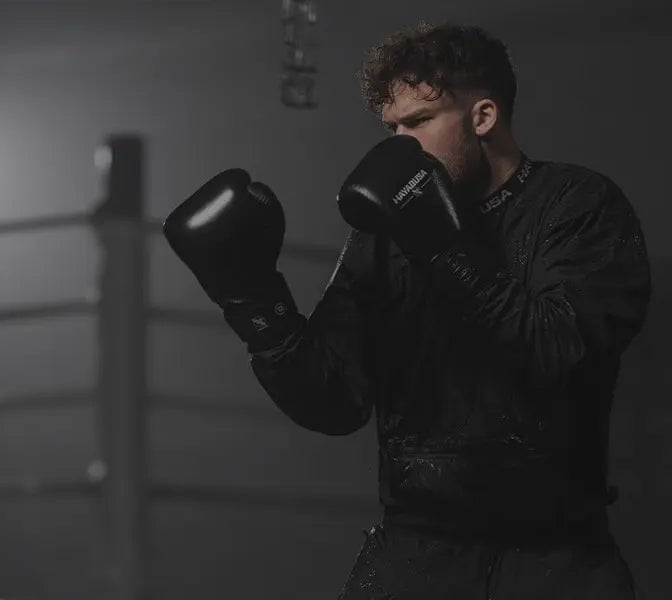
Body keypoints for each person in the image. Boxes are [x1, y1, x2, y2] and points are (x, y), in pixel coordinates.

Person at [163, 21, 651, 599]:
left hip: (555, 559)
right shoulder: (383, 235)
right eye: (392, 128)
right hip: (414, 554)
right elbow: (334, 400)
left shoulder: (578, 206)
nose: (400, 146)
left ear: (483, 117)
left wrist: (441, 245)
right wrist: (252, 299)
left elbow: (556, 349)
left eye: (419, 122)